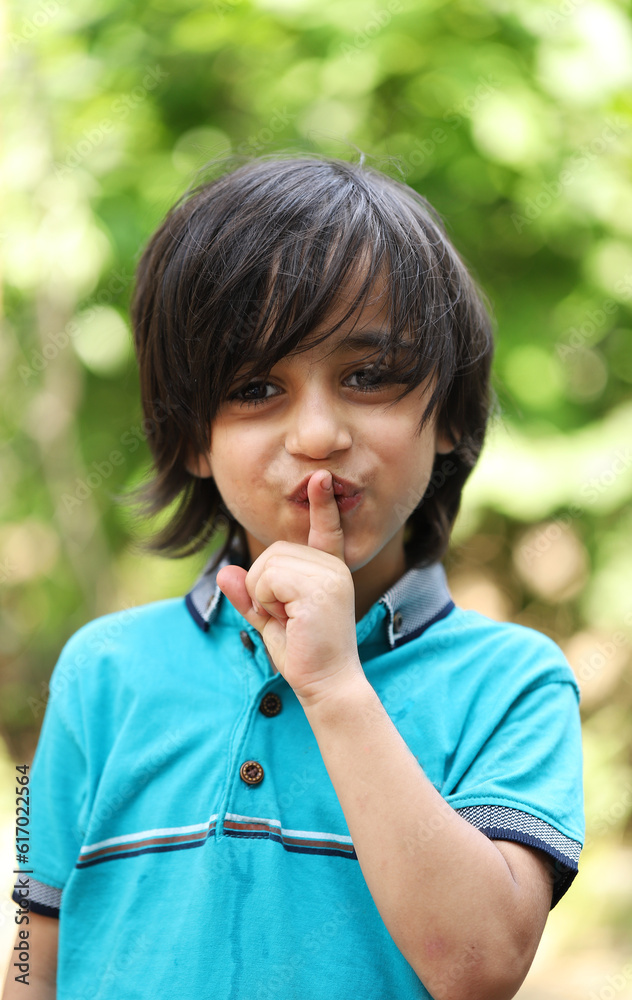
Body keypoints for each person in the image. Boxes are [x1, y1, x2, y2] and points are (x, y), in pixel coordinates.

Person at [3, 156, 584, 1000]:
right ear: (192, 439)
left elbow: (479, 966)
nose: (317, 433)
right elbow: (34, 947)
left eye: (368, 376)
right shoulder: (100, 671)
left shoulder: (513, 682)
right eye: (256, 387)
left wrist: (335, 686)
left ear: (451, 415)